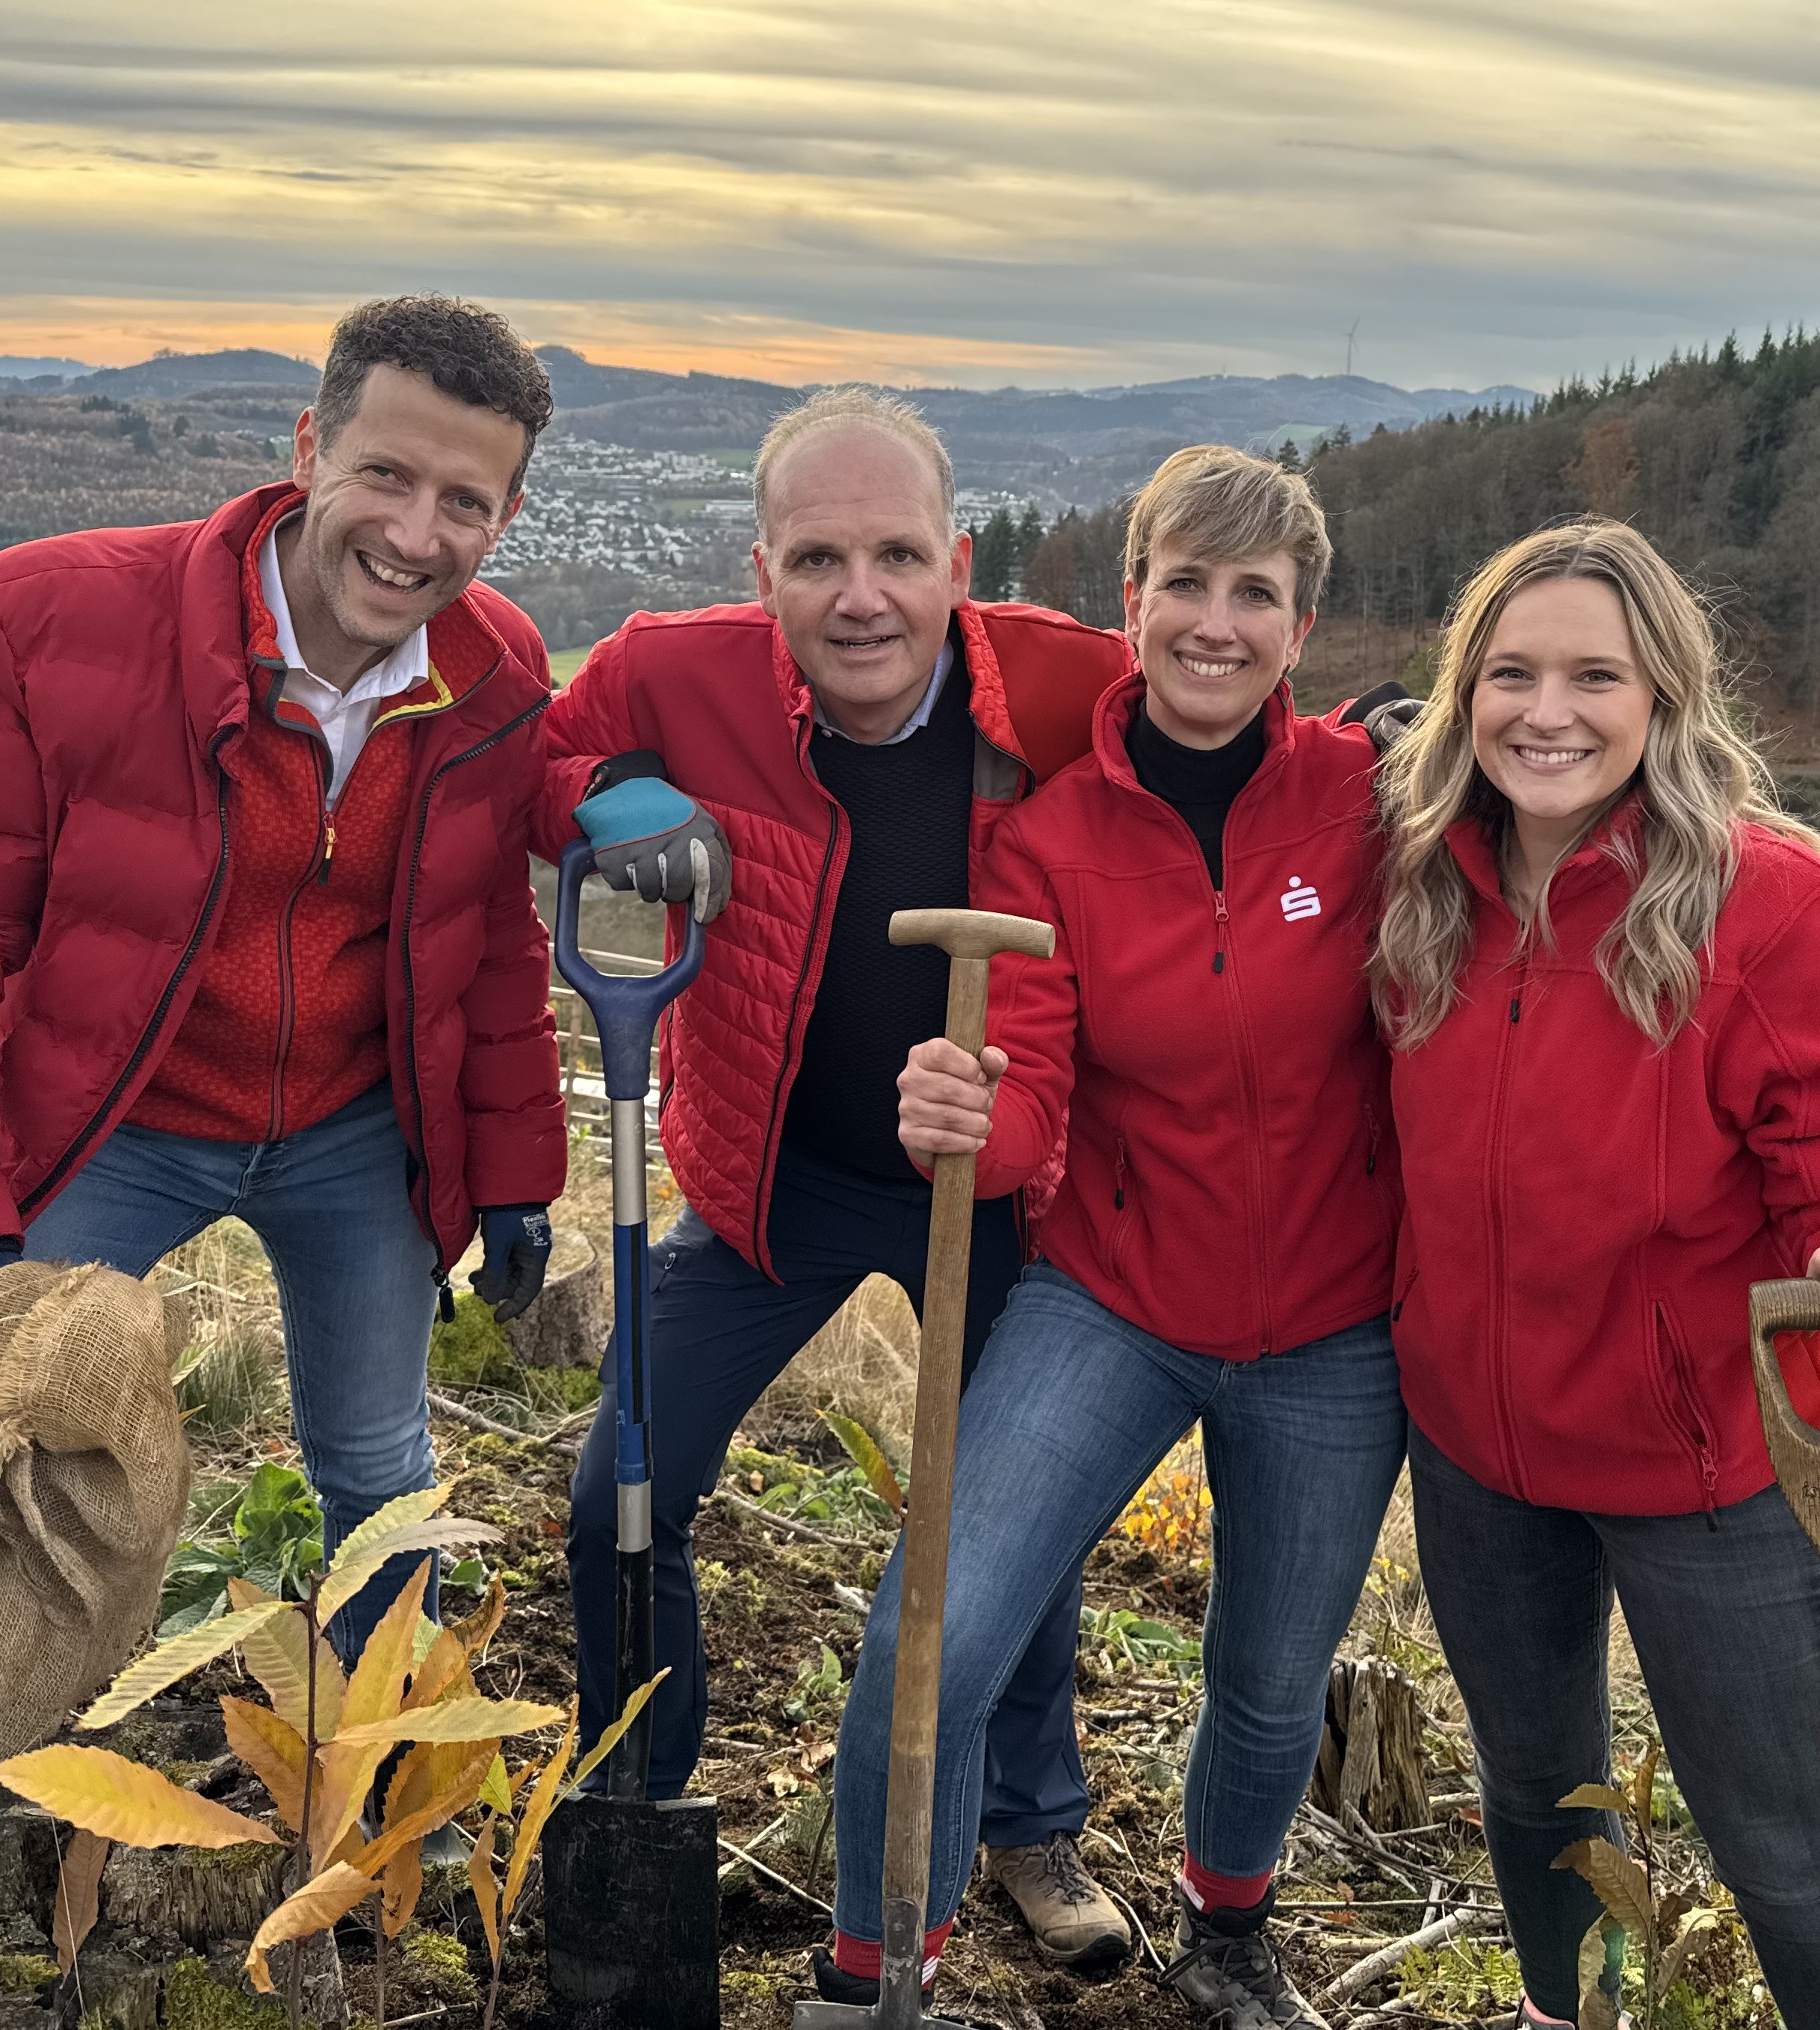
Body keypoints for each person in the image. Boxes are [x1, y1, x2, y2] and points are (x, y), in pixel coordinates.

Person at [0, 296, 569, 1657]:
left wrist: (515, 1160)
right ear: (308, 447)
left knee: (379, 1469)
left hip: (355, 1127)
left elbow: (488, 935)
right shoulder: (45, 625)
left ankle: (378, 1760)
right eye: (386, 475)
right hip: (123, 1115)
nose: (415, 536)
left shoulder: (494, 673)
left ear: (507, 515)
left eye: (463, 500)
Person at [533, 389, 1141, 1967]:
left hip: (993, 1190)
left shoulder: (1070, 683)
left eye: (894, 553)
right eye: (816, 558)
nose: (857, 595)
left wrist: (1392, 738)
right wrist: (619, 801)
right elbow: (545, 758)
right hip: (768, 1183)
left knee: (1013, 1524)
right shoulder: (682, 671)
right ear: (762, 567)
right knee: (621, 1494)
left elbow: (1232, 738)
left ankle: (1027, 1823)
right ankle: (636, 1802)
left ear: (956, 561)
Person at [825, 446, 1405, 2029]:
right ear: (1130, 601)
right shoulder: (1053, 839)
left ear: (1301, 628)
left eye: (1257, 595)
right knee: (931, 1629)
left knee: (1275, 1681)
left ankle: (1229, 1932)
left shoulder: (1368, 805)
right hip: (1116, 1300)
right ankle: (879, 1971)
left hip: (1338, 1328)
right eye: (1188, 587)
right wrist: (975, 1114)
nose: (1217, 625)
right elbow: (1032, 1090)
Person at [1368, 518, 1820, 2030]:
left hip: (1716, 1472)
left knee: (1789, 1844)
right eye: (1510, 673)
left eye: (1594, 676)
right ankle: (1577, 2012)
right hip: (1478, 1453)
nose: (1545, 712)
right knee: (1538, 1788)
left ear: (1664, 701)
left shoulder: (1770, 907)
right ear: (1462, 694)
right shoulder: (1428, 882)